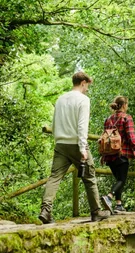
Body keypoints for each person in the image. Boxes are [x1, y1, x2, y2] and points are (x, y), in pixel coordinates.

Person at [39, 71, 109, 224]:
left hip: (61, 144)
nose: (87, 89)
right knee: (89, 176)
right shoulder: (83, 100)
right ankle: (96, 212)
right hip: (77, 145)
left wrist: (57, 139)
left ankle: (46, 210)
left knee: (54, 177)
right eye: (87, 86)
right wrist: (83, 148)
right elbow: (82, 125)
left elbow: (55, 122)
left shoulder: (60, 99)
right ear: (83, 83)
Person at [101, 96, 135, 214]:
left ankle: (119, 205)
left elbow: (105, 136)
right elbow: (130, 135)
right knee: (122, 180)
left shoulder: (108, 119)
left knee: (118, 179)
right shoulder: (126, 118)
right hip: (121, 153)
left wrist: (103, 155)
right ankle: (109, 197)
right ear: (124, 105)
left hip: (109, 154)